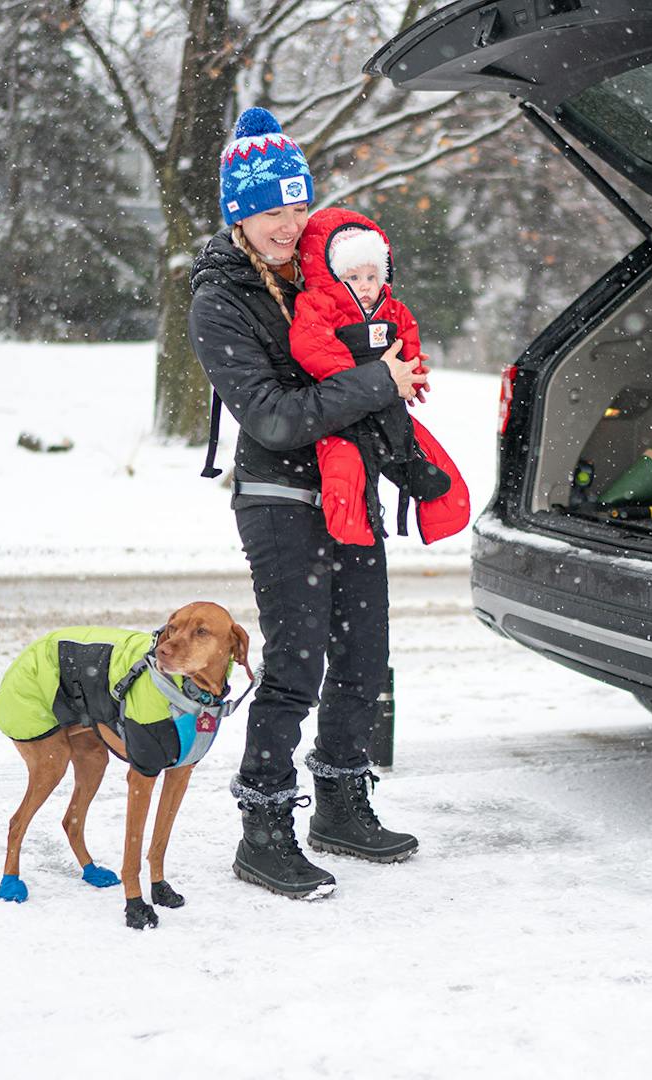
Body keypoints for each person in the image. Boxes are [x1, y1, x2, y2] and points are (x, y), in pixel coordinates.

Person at [188, 107, 426, 900]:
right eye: (270, 210)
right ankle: (263, 828)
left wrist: (395, 382)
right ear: (238, 214)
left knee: (362, 657)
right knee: (296, 665)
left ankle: (341, 803)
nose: (287, 224)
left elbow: (377, 361)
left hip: (347, 491)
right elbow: (275, 416)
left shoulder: (329, 280)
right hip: (277, 497)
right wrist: (373, 383)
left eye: (298, 208)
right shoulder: (219, 302)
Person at [289, 206, 470, 545]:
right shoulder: (318, 306)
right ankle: (353, 527)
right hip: (344, 412)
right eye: (353, 278)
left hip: (388, 405)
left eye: (371, 277)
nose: (365, 286)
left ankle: (422, 483)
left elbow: (407, 336)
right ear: (332, 275)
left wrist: (412, 370)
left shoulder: (391, 308)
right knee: (345, 464)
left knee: (410, 442)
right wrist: (361, 381)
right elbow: (310, 345)